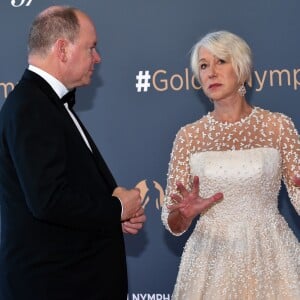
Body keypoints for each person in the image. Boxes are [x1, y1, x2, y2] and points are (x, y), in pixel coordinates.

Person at [0, 6, 146, 300]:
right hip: (55, 287)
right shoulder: (32, 107)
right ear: (63, 49)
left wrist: (112, 207)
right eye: (91, 47)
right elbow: (49, 200)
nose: (97, 57)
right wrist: (117, 209)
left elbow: (64, 187)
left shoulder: (44, 103)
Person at [161, 30, 300, 299]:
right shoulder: (188, 136)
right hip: (209, 258)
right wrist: (184, 215)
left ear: (242, 68)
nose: (211, 72)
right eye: (203, 66)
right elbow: (173, 221)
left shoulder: (278, 126)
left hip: (271, 254)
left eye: (221, 61)